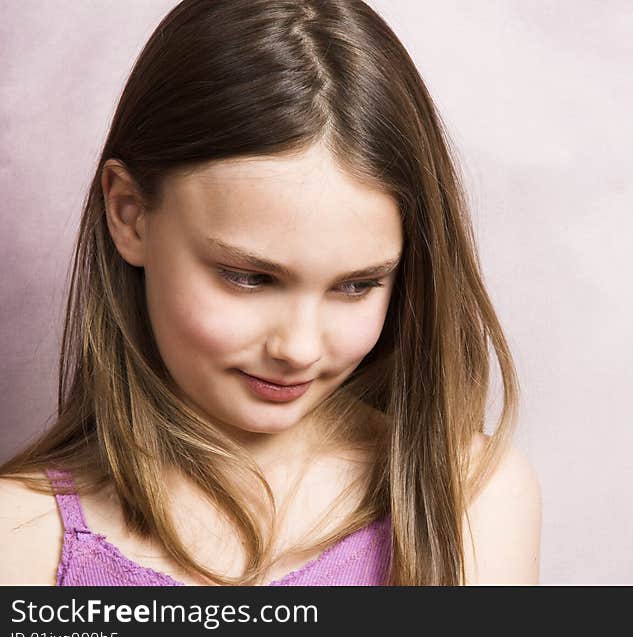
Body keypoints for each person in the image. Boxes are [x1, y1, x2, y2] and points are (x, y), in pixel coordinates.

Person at [0, 0, 541, 586]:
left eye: (357, 286)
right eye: (249, 277)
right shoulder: (19, 539)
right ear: (129, 214)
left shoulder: (470, 501)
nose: (299, 348)